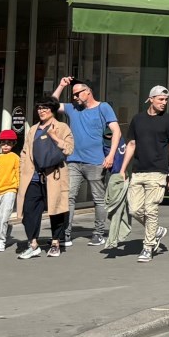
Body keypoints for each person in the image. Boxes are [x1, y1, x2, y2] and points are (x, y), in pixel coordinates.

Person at [54, 75, 119, 249]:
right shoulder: (73, 108)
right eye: (73, 95)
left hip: (96, 161)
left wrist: (111, 155)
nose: (74, 97)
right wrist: (61, 85)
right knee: (69, 197)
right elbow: (50, 105)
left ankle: (98, 233)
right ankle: (65, 234)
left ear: (88, 92)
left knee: (98, 199)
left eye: (77, 94)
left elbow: (116, 131)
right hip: (73, 160)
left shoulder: (103, 107)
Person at [121, 84, 169, 262]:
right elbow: (131, 145)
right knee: (135, 209)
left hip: (158, 172)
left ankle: (148, 247)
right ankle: (156, 231)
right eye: (161, 99)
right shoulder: (138, 120)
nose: (164, 103)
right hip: (138, 171)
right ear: (151, 99)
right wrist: (123, 169)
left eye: (166, 100)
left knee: (151, 209)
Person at [16, 96, 74, 259]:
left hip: (53, 176)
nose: (41, 111)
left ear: (53, 110)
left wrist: (55, 137)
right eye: (39, 108)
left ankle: (55, 242)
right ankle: (33, 244)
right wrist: (22, 169)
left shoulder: (62, 127)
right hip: (33, 177)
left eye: (45, 108)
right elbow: (25, 151)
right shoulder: (33, 129)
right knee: (29, 211)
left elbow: (69, 149)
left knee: (56, 210)